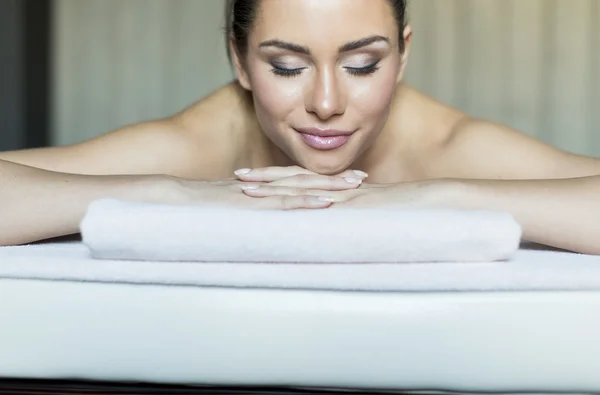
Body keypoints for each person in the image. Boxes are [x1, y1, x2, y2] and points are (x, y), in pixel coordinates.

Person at [1, 0, 599, 253]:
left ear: (403, 53)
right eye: (286, 66)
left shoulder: (450, 147)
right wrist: (170, 194)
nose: (327, 102)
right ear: (239, 61)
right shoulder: (203, 142)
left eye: (363, 64)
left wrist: (439, 197)